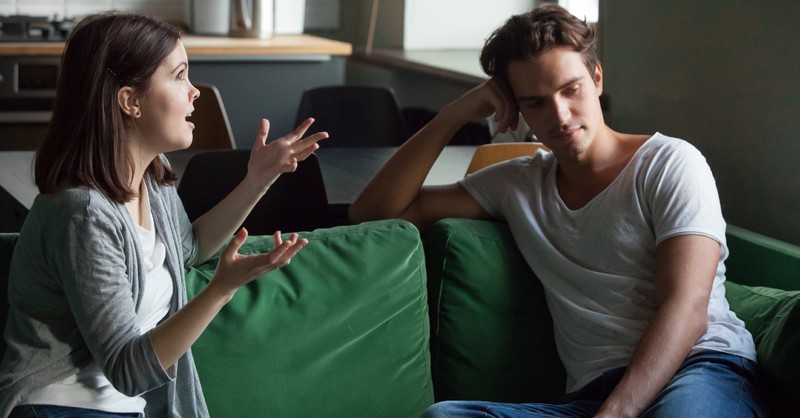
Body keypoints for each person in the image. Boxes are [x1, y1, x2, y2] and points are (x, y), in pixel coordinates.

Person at [349, 4, 766, 417]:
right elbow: (373, 213)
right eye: (535, 102)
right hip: (593, 397)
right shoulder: (517, 184)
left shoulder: (670, 163)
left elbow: (687, 306)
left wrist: (617, 412)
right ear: (515, 108)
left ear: (597, 77)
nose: (560, 116)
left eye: (572, 89)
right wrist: (453, 115)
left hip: (699, 369)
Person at [0, 12, 326, 418]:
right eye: (179, 76)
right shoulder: (82, 215)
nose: (195, 93)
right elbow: (128, 370)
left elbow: (189, 248)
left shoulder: (152, 182)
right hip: (58, 407)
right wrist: (221, 289)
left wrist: (258, 178)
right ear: (130, 101)